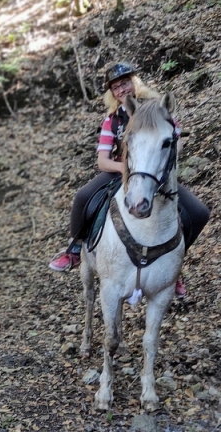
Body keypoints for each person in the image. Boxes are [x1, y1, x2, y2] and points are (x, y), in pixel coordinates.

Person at [48, 62, 210, 298]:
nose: (122, 89)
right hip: (118, 170)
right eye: (116, 87)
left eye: (125, 83)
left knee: (199, 213)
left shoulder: (158, 110)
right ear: (112, 93)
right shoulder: (112, 120)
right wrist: (129, 169)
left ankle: (173, 267)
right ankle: (74, 249)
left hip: (154, 174)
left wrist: (158, 165)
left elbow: (176, 141)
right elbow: (102, 161)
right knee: (83, 196)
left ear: (134, 83)